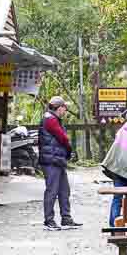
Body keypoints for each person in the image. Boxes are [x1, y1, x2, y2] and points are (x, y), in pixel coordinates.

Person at [38, 96, 82, 230]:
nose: (66, 110)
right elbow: (62, 138)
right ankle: (49, 221)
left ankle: (66, 218)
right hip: (51, 160)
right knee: (52, 190)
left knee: (64, 190)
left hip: (57, 159)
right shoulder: (50, 119)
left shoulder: (54, 118)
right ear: (59, 107)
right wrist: (69, 149)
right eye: (64, 108)